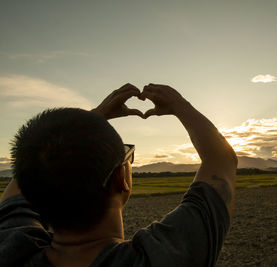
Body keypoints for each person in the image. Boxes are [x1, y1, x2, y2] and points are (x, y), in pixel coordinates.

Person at [0, 83, 237, 266]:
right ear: (119, 179)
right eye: (127, 156)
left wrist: (88, 121)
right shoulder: (163, 257)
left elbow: (30, 168)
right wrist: (179, 104)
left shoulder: (11, 250)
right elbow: (222, 159)